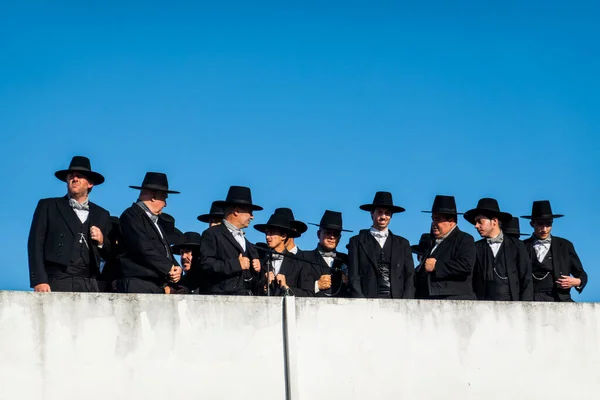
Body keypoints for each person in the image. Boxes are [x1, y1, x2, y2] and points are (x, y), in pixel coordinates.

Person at [28, 156, 111, 292]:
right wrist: (39, 280)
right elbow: (35, 244)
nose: (74, 179)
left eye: (79, 176)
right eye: (71, 176)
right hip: (57, 279)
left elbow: (111, 254)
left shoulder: (102, 214)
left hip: (91, 283)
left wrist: (102, 241)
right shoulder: (48, 206)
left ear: (90, 183)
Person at [117, 172, 182, 293]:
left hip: (156, 284)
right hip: (138, 284)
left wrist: (177, 268)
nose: (165, 204)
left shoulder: (157, 222)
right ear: (153, 196)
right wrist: (169, 267)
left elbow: (165, 251)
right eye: (164, 198)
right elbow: (143, 247)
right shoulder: (131, 216)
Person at [347, 191, 415, 299]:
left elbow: (409, 276)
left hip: (397, 301)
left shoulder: (403, 244)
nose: (383, 216)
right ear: (371, 213)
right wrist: (360, 301)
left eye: (387, 213)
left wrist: (406, 302)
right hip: (367, 301)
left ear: (391, 216)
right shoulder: (356, 242)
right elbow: (353, 276)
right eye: (379, 212)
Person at [464, 198, 533, 301]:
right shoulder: (475, 247)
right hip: (483, 307)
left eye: (480, 222)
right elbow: (470, 280)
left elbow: (526, 278)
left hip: (512, 306)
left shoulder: (517, 246)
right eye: (476, 222)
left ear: (494, 221)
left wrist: (525, 307)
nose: (476, 226)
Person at [199, 186, 262, 295]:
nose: (252, 217)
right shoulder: (212, 234)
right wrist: (236, 264)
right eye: (249, 212)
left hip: (247, 302)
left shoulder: (248, 244)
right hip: (222, 301)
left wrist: (257, 269)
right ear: (236, 211)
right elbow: (206, 265)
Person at [521, 200, 588, 302]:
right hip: (531, 300)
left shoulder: (565, 246)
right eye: (540, 224)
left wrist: (577, 282)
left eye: (548, 224)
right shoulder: (522, 246)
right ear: (532, 224)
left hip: (560, 298)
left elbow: (581, 274)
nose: (544, 229)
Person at [416, 195, 476, 300]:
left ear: (451, 222)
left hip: (454, 300)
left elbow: (466, 265)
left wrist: (436, 266)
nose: (433, 223)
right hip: (431, 300)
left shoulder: (465, 239)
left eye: (438, 219)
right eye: (433, 219)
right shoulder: (432, 242)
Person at [254, 213, 314, 296]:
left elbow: (309, 294)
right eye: (266, 233)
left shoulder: (300, 263)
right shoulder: (261, 262)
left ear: (283, 236)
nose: (267, 237)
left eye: (271, 233)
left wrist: (286, 288)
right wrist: (263, 285)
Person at [302, 210, 352, 297]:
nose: (332, 237)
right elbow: (296, 285)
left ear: (339, 238)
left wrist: (349, 282)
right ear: (318, 234)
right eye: (328, 233)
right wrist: (316, 285)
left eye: (335, 234)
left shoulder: (347, 260)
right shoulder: (304, 257)